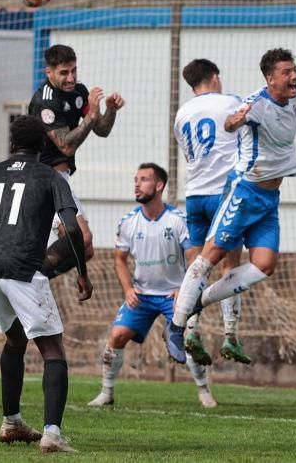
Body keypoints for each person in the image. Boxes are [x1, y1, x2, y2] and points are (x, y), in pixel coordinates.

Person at [166, 48, 296, 357]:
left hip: (267, 198)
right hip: (243, 191)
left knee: (265, 264)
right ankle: (176, 326)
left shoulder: (290, 96)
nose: (293, 76)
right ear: (269, 79)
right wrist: (234, 122)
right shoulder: (254, 103)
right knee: (209, 257)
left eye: (294, 70)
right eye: (286, 72)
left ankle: (199, 303)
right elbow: (230, 123)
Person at [0, 115, 92, 453]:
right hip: (23, 268)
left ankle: (12, 422)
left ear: (12, 144)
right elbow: (73, 230)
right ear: (43, 145)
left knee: (15, 340)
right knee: (53, 350)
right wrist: (82, 272)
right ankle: (52, 434)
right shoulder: (50, 176)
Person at [88, 163, 217, 408]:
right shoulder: (128, 222)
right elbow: (119, 259)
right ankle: (106, 393)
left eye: (144, 179)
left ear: (159, 186)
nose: (137, 184)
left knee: (189, 339)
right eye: (136, 179)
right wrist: (128, 289)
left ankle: (204, 391)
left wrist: (185, 289)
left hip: (174, 295)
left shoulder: (178, 220)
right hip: (143, 295)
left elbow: (194, 257)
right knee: (117, 335)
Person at [173, 58, 252, 365]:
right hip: (223, 195)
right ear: (215, 78)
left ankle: (190, 330)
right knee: (229, 267)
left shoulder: (182, 114)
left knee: (196, 267)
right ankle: (230, 335)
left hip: (194, 195)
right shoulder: (230, 102)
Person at [28, 44, 125, 275]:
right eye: (64, 72)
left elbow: (101, 129)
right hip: (44, 180)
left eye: (73, 70)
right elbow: (66, 145)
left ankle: (33, 280)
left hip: (61, 179)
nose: (71, 77)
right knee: (81, 238)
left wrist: (110, 110)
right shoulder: (45, 101)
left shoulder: (79, 93)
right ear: (48, 72)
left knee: (85, 249)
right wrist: (91, 117)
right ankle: (29, 279)